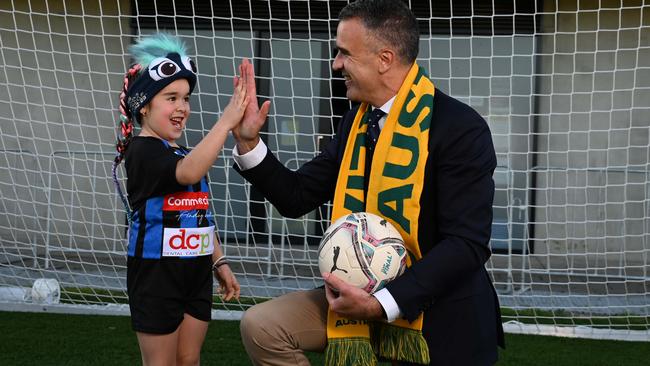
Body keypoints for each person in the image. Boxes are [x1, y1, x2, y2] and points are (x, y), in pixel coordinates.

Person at [233, 0, 504, 365]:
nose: (336, 64)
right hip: (355, 298)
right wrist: (250, 143)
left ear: (385, 59)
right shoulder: (355, 124)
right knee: (262, 325)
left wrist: (379, 304)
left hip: (438, 312)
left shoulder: (459, 128)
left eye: (344, 53)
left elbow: (466, 245)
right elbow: (297, 197)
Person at [111, 33, 242, 366]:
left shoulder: (183, 151)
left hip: (196, 272)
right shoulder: (142, 151)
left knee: (189, 360)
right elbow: (186, 172)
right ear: (144, 105)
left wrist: (219, 262)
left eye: (185, 98)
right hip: (156, 274)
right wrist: (226, 122)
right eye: (171, 97)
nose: (182, 107)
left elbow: (199, 214)